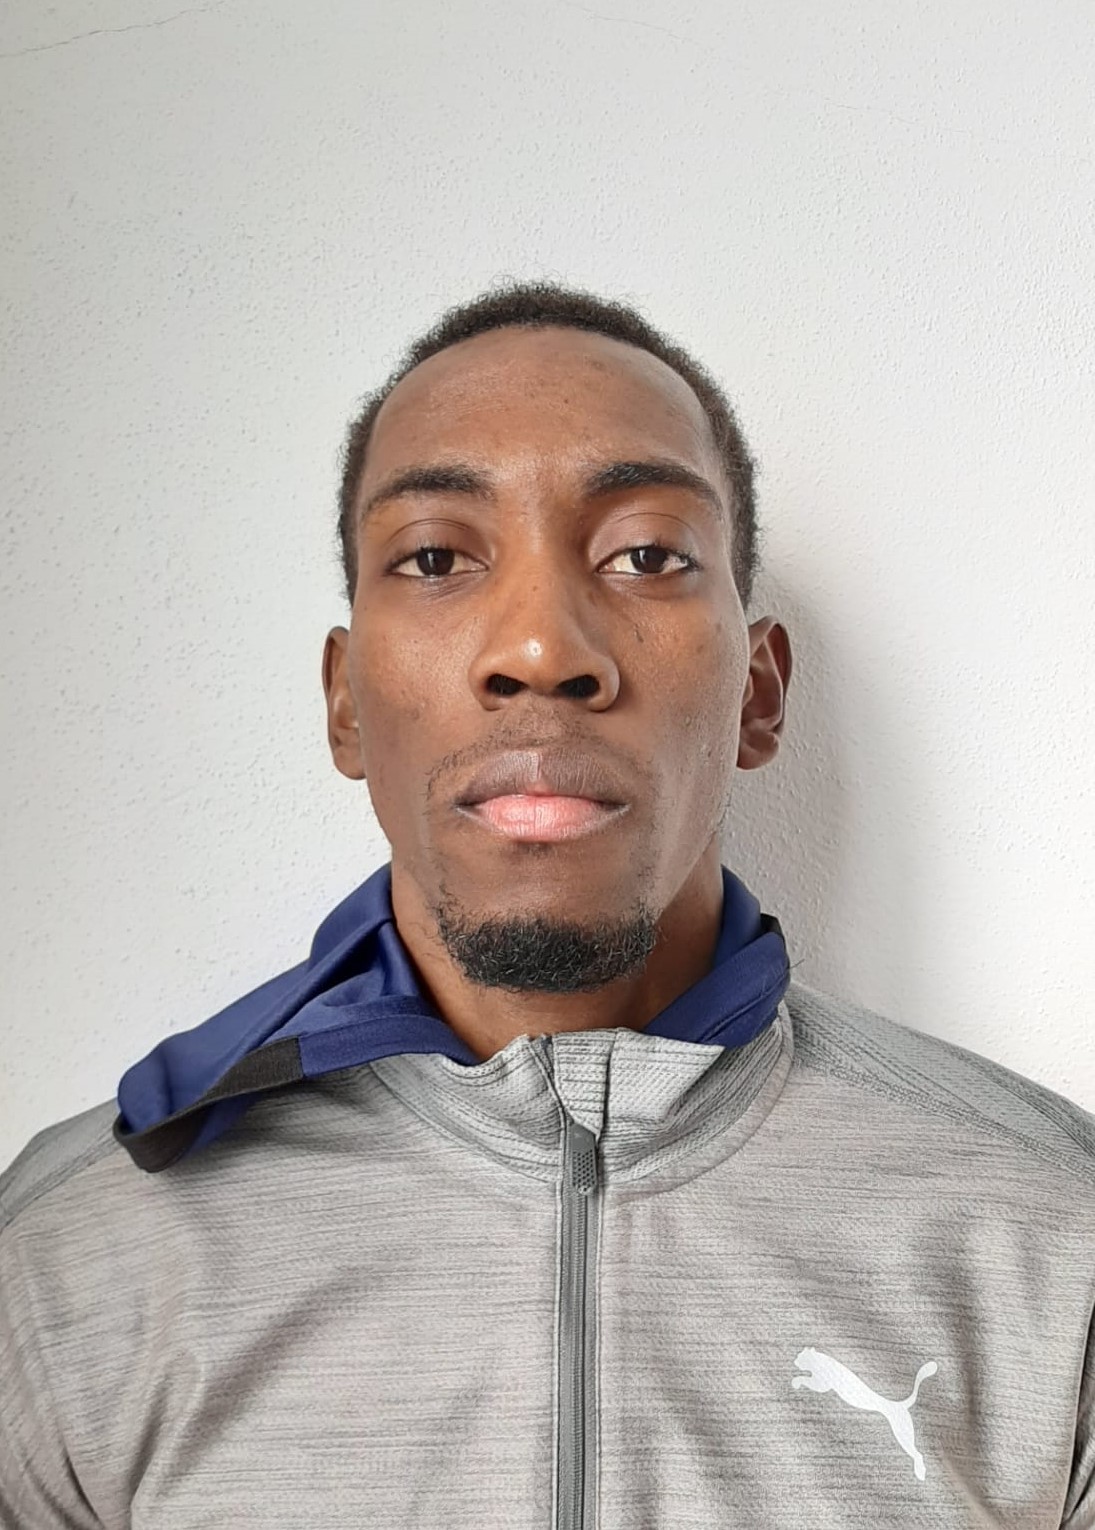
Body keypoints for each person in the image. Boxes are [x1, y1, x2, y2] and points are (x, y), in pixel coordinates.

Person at [1, 281, 1092, 1529]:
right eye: (436, 558)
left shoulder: (1058, 1242)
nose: (540, 649)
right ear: (346, 703)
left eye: (647, 555)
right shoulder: (62, 1272)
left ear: (758, 694)